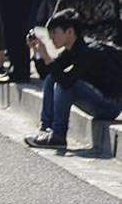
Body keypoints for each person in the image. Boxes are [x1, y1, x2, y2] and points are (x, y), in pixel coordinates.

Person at [25, 9, 122, 149]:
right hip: (98, 99)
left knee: (63, 85)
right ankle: (45, 129)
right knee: (53, 79)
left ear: (69, 32)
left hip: (111, 105)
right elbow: (47, 75)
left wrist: (47, 58)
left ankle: (58, 135)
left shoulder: (89, 51)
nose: (51, 38)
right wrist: (37, 52)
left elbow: (67, 82)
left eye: (54, 33)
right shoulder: (72, 49)